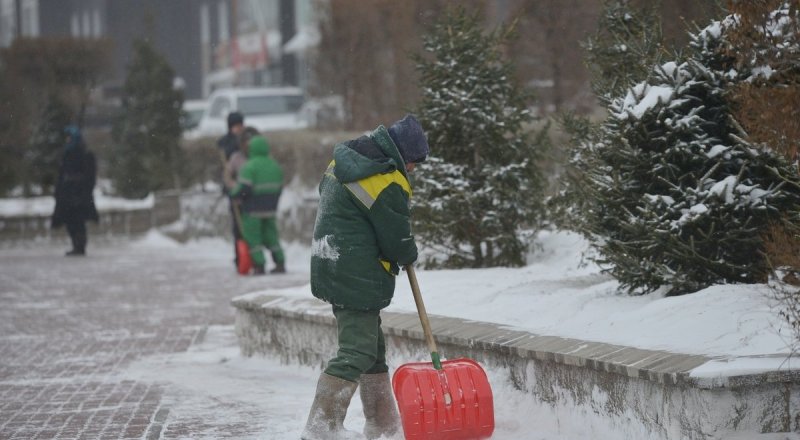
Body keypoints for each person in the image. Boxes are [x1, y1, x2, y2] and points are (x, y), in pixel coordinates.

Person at [302, 114, 430, 440]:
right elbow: (394, 235)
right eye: (413, 162)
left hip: (334, 261)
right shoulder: (385, 179)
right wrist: (407, 253)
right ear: (402, 155)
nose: (413, 169)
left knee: (372, 349)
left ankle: (383, 424)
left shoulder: (350, 160)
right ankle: (321, 427)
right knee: (357, 351)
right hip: (354, 273)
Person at [229, 135, 286, 275]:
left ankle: (259, 265)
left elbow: (244, 188)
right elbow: (279, 187)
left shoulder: (249, 166)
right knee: (271, 236)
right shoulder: (274, 165)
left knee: (253, 237)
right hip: (270, 208)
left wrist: (233, 194)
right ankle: (280, 262)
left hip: (253, 208)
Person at [51, 125, 99, 256]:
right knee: (69, 220)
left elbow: (90, 175)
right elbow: (62, 174)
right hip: (67, 193)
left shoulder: (85, 154)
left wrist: (82, 189)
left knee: (78, 221)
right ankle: (76, 245)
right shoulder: (66, 153)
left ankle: (80, 246)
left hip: (79, 193)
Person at [218, 111, 245, 268]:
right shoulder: (227, 143)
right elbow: (227, 168)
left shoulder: (246, 140)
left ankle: (248, 254)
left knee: (246, 223)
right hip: (233, 187)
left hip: (246, 188)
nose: (239, 128)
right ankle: (239, 256)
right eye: (236, 126)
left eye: (240, 125)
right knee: (237, 224)